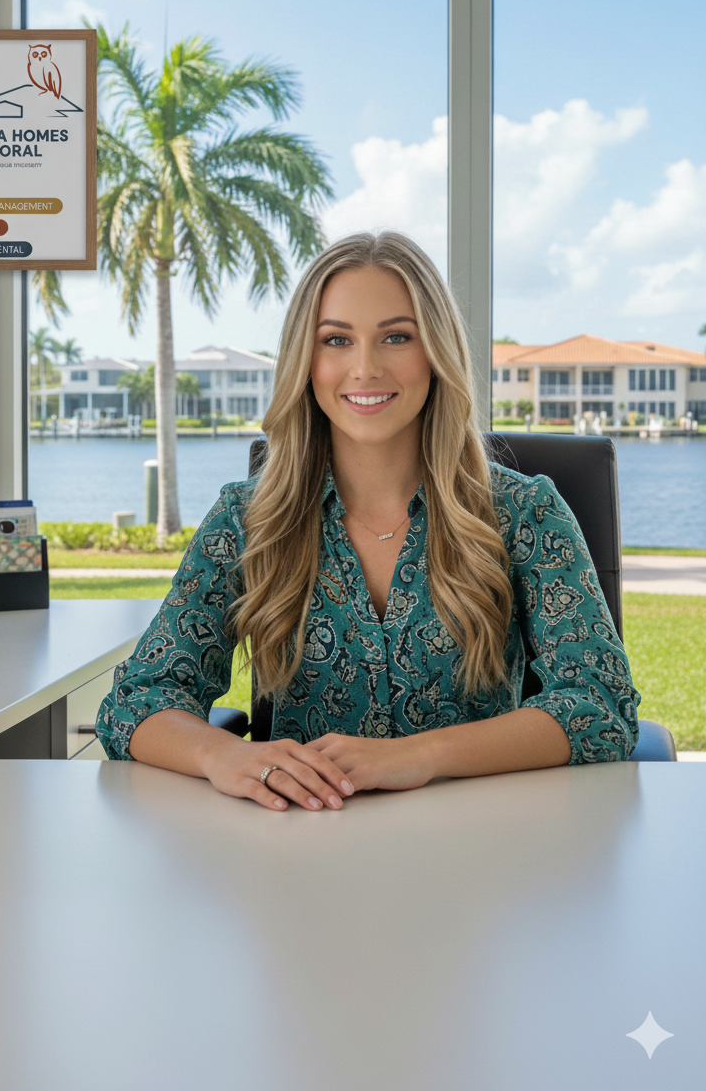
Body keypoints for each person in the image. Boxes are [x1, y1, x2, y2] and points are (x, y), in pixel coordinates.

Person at [96, 231, 640, 811]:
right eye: (336, 340)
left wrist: (420, 754)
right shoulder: (247, 519)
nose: (365, 367)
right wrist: (222, 755)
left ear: (435, 352)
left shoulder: (524, 512)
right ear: (306, 361)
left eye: (396, 337)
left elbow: (600, 706)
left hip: (480, 850)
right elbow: (136, 699)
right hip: (301, 850)